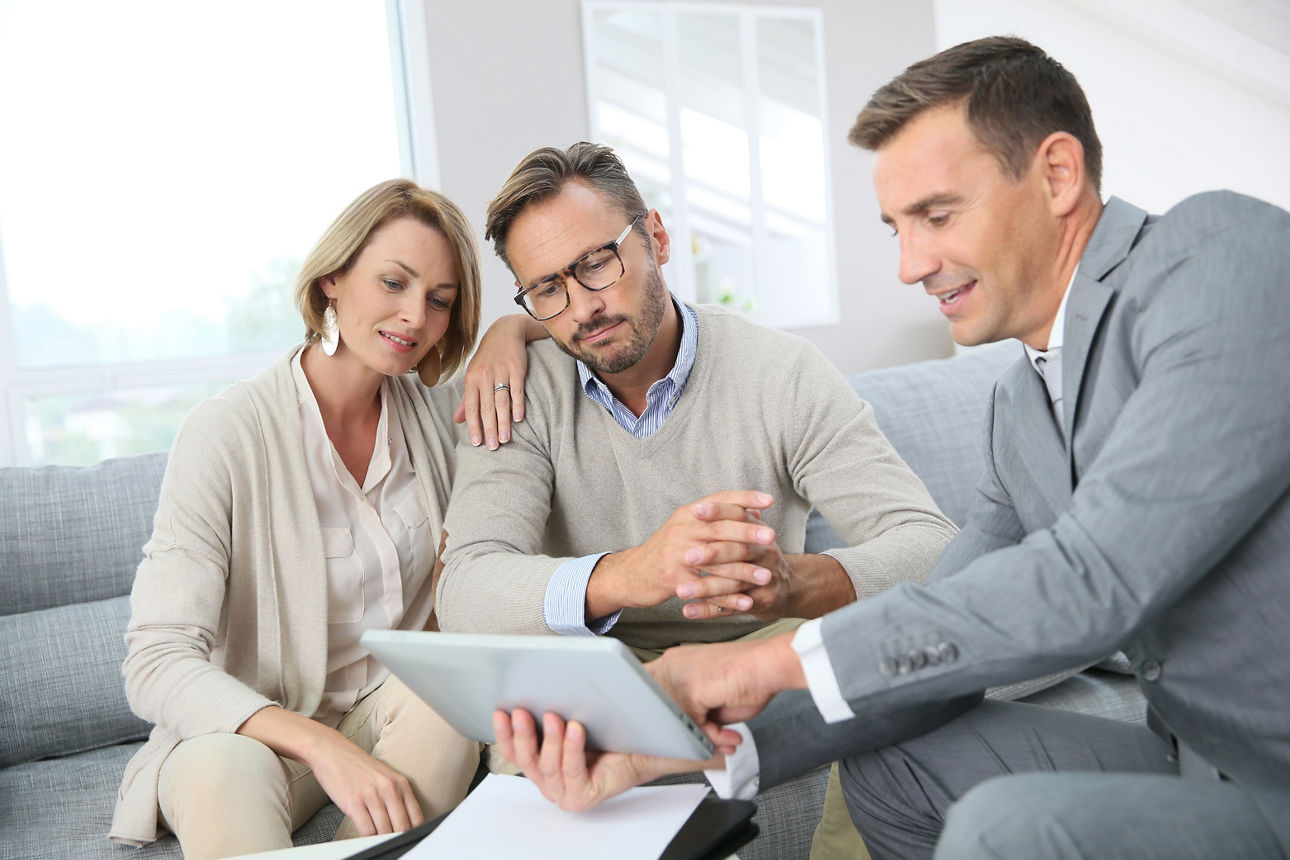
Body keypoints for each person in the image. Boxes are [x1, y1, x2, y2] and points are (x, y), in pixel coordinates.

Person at [494, 36, 1290, 860]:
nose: (910, 264)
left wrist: (766, 663)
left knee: (1000, 828)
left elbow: (1097, 578)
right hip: (1201, 761)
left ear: (1057, 174)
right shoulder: (1019, 405)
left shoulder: (1221, 261)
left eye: (938, 215)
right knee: (893, 763)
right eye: (897, 227)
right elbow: (938, 639)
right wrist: (658, 752)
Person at [108, 179, 543, 859]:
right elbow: (157, 661)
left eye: (439, 301)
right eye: (393, 282)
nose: (414, 318)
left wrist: (510, 329)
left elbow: (580, 325)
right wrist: (324, 747)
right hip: (249, 738)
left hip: (393, 711)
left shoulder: (436, 415)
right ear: (333, 279)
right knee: (219, 770)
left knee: (445, 699)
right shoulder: (228, 432)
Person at [434, 142, 957, 665]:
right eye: (548, 288)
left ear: (656, 239)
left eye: (597, 263)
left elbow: (933, 547)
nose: (584, 309)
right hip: (595, 668)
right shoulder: (514, 391)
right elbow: (463, 590)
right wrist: (630, 574)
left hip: (756, 659)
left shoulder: (782, 372)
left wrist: (794, 582)